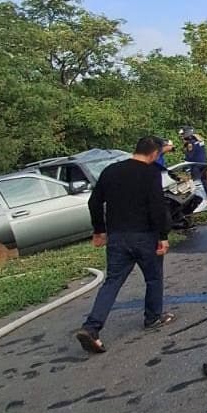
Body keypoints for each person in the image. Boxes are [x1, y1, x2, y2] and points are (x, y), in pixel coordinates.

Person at [75, 136, 173, 354]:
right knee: (153, 277)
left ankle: (91, 328)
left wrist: (99, 230)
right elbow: (157, 207)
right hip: (145, 236)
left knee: (111, 282)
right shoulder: (151, 173)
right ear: (154, 153)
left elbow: (94, 202)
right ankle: (153, 317)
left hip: (117, 238)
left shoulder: (111, 171)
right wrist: (163, 235)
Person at [179, 125, 207, 196]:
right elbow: (201, 141)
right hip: (204, 164)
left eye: (182, 135)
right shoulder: (199, 140)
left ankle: (202, 198)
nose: (182, 137)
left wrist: (185, 164)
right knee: (204, 180)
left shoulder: (190, 144)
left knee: (197, 182)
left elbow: (190, 157)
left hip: (195, 165)